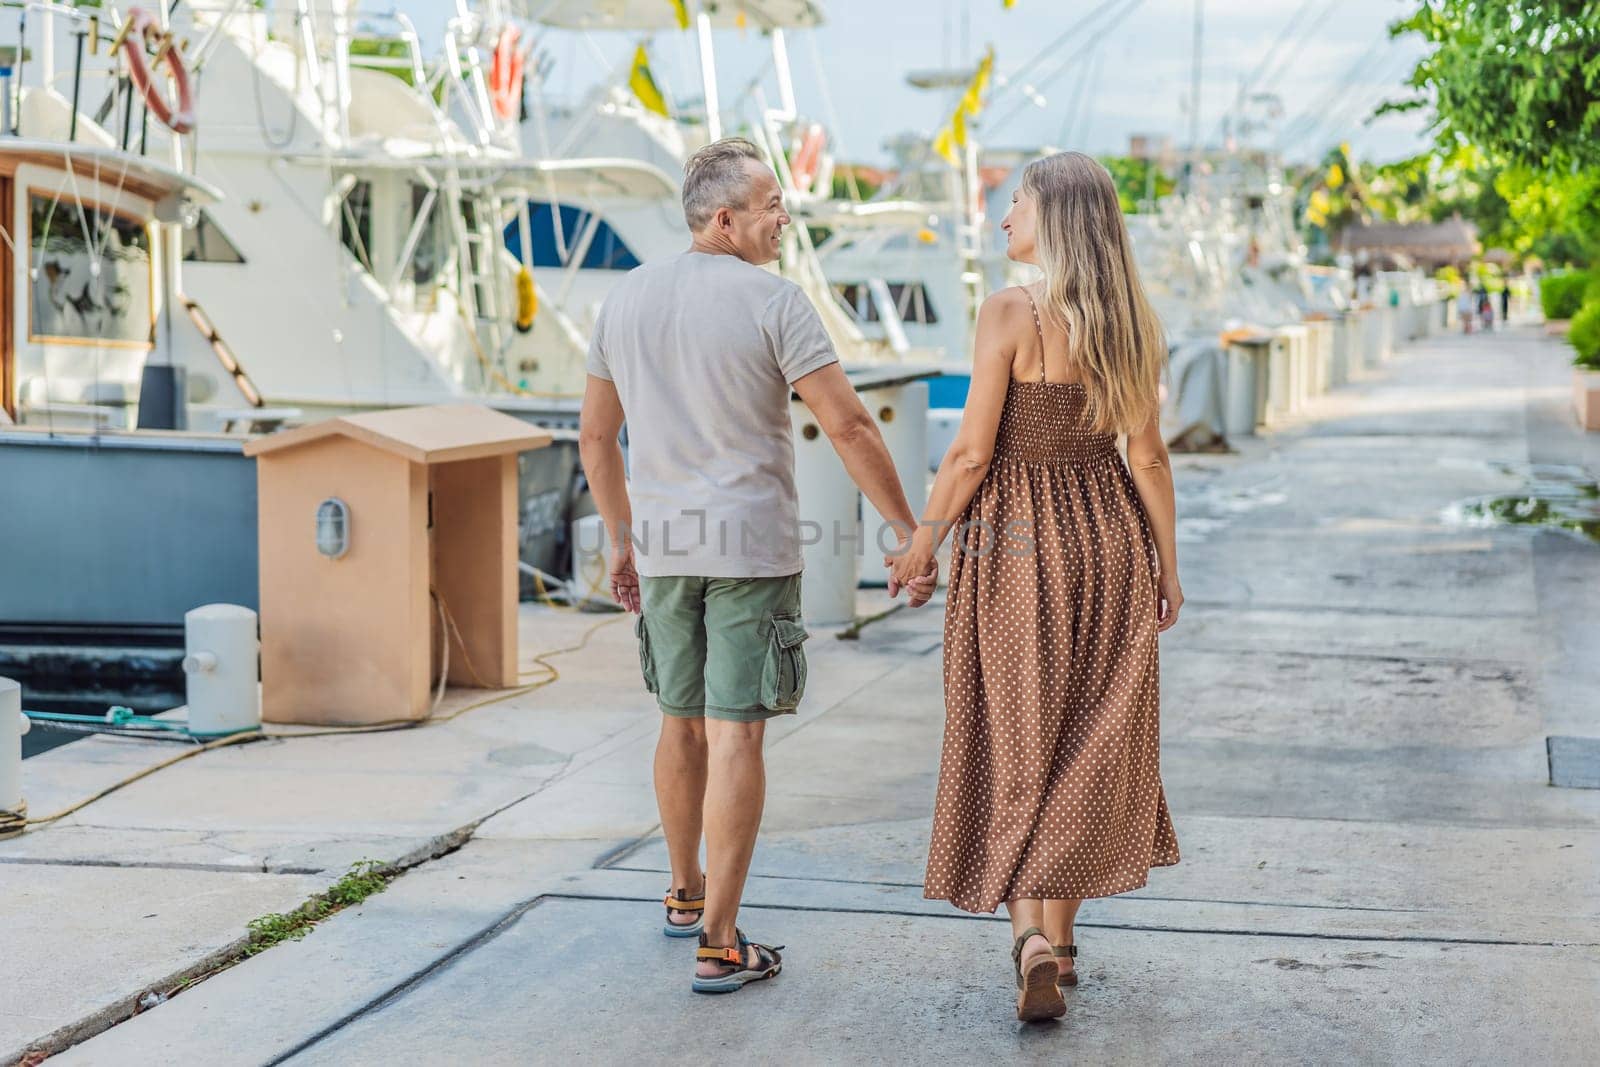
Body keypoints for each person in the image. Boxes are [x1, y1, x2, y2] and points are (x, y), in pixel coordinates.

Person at [579, 137, 935, 995]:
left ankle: (683, 892)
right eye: (772, 204)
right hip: (749, 547)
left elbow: (596, 435)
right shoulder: (777, 303)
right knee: (738, 731)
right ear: (724, 217)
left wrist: (621, 540)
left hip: (665, 547)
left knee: (680, 720)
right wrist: (905, 529)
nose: (785, 217)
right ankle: (720, 940)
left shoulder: (622, 301)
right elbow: (848, 425)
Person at [890, 151, 1182, 1022]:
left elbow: (973, 451)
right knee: (1092, 735)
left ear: (1050, 217)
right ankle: (1065, 939)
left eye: (1013, 203)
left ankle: (1029, 942)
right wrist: (1167, 566)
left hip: (1017, 544)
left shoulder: (1010, 313)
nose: (1002, 219)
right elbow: (1150, 457)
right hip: (1109, 540)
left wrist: (921, 545)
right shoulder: (1135, 322)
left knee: (1014, 733)